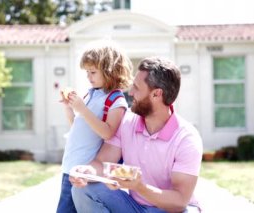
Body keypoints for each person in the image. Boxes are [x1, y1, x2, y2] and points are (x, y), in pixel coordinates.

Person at [69, 57, 203, 213]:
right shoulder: (127, 123)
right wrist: (86, 172)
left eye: (136, 88)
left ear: (156, 94)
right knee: (83, 190)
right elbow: (102, 163)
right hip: (134, 207)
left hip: (169, 210)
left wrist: (140, 187)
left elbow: (180, 201)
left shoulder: (186, 138)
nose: (130, 93)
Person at [56, 40, 133, 213]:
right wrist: (69, 108)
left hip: (85, 171)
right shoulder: (91, 94)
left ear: (109, 71)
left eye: (92, 72)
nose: (88, 77)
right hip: (70, 166)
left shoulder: (116, 101)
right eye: (87, 72)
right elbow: (78, 126)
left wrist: (82, 109)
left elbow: (107, 132)